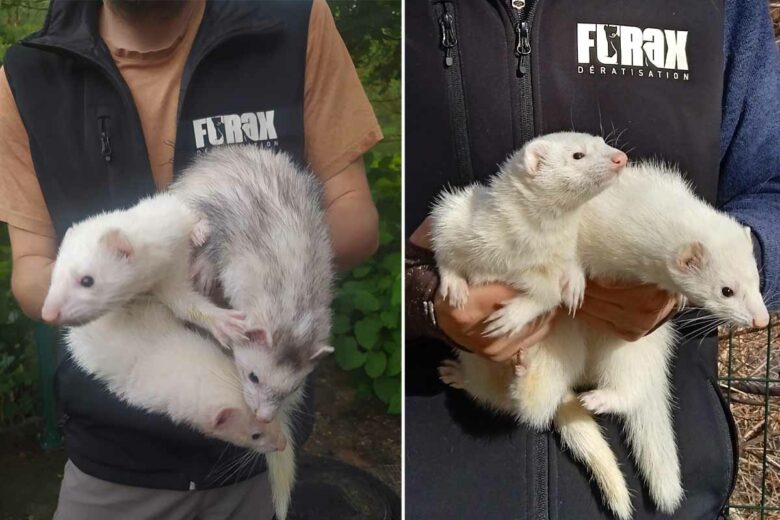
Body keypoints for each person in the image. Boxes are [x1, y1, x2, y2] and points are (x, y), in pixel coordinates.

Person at [0, 0, 381, 518]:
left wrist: (257, 275)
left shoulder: (293, 22)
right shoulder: (27, 74)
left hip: (249, 462)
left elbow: (356, 220)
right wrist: (151, 287)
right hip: (112, 460)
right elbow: (31, 276)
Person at [405, 0, 779, 518]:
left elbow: (770, 189)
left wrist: (735, 261)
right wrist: (420, 299)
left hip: (674, 485)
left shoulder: (725, 12)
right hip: (436, 476)